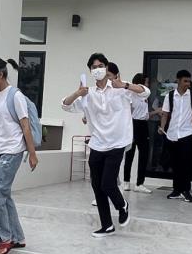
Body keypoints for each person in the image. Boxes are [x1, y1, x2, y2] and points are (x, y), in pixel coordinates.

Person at [62, 53, 148, 237]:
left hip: (117, 143)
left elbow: (145, 92)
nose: (97, 69)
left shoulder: (120, 88)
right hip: (97, 144)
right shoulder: (88, 94)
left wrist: (125, 85)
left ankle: (122, 205)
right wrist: (77, 93)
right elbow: (65, 105)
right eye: (94, 67)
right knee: (97, 186)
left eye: (100, 65)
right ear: (90, 71)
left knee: (108, 183)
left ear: (106, 67)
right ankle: (107, 225)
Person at [0, 57, 38, 254]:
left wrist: (32, 153)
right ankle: (18, 237)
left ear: (1, 74)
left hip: (12, 151)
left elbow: (25, 126)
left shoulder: (15, 96)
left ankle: (5, 239)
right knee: (3, 194)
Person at [157, 68, 192, 203]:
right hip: (172, 134)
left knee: (186, 164)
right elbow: (165, 114)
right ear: (178, 81)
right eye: (185, 81)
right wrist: (162, 127)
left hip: (187, 133)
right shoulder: (170, 96)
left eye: (189, 81)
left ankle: (186, 191)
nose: (188, 84)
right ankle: (176, 190)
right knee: (175, 164)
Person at [120, 71, 152, 194]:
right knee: (129, 153)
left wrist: (156, 112)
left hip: (143, 125)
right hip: (133, 124)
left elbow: (145, 115)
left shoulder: (145, 97)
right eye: (147, 82)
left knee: (144, 154)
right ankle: (126, 182)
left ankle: (140, 183)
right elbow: (128, 112)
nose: (148, 85)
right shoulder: (131, 94)